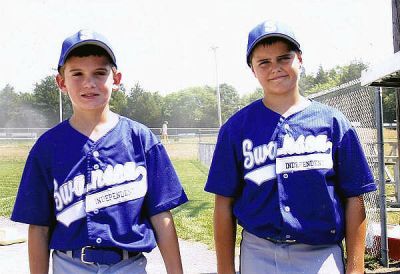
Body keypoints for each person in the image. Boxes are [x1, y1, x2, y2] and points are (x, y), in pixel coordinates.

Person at [204, 19, 377, 274]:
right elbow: (223, 203)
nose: (275, 68)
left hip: (320, 252)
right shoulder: (236, 128)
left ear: (300, 59)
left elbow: (355, 198)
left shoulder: (333, 123)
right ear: (253, 69)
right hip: (258, 251)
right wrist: (225, 269)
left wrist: (355, 268)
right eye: (264, 62)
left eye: (284, 58)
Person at [11, 29, 188, 274]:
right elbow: (39, 228)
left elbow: (162, 216)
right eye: (77, 74)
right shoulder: (47, 147)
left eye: (99, 73)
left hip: (129, 265)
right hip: (69, 265)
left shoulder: (141, 138)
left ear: (116, 80)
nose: (89, 83)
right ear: (61, 82)